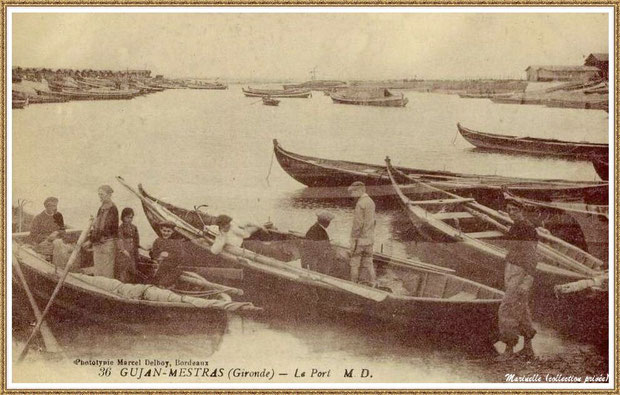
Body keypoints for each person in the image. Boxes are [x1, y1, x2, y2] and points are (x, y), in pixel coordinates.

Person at [497, 200, 538, 361]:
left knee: (506, 309)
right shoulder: (516, 226)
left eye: (515, 209)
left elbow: (533, 256)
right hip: (513, 269)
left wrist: (528, 279)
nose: (511, 212)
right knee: (521, 307)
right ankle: (528, 348)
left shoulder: (527, 228)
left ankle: (509, 349)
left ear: (522, 210)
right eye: (509, 210)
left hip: (520, 271)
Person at [348, 181, 376, 285]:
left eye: (353, 192)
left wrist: (353, 239)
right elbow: (374, 222)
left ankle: (353, 284)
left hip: (359, 241)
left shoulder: (360, 204)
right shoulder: (371, 202)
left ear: (359, 191)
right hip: (370, 239)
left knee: (354, 264)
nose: (352, 195)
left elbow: (357, 225)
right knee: (369, 263)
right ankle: (373, 282)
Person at [87, 185, 119, 278]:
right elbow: (98, 225)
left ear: (109, 194)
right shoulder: (101, 208)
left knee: (107, 271)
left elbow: (107, 228)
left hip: (107, 243)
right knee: (98, 270)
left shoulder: (112, 209)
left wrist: (91, 240)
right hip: (99, 242)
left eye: (102, 194)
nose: (100, 197)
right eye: (99, 194)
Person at [150, 221, 188, 288]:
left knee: (170, 278)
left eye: (168, 231)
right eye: (164, 230)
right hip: (159, 266)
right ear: (160, 230)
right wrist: (158, 256)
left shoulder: (176, 243)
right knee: (154, 281)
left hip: (172, 267)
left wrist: (168, 255)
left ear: (172, 231)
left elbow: (180, 256)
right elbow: (153, 254)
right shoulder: (158, 241)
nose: (166, 233)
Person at [117, 207, 140, 283]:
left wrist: (140, 249)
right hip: (123, 253)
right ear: (123, 217)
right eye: (128, 217)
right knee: (123, 270)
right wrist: (123, 250)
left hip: (132, 252)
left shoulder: (134, 227)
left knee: (133, 269)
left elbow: (136, 241)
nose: (130, 219)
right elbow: (119, 239)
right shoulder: (120, 228)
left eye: (131, 217)